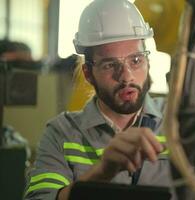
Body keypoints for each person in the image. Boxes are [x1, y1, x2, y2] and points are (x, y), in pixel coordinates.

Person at [24, 0, 173, 199]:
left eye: (136, 60)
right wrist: (100, 173)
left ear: (147, 60)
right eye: (110, 65)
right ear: (88, 73)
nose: (127, 76)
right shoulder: (62, 134)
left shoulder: (178, 125)